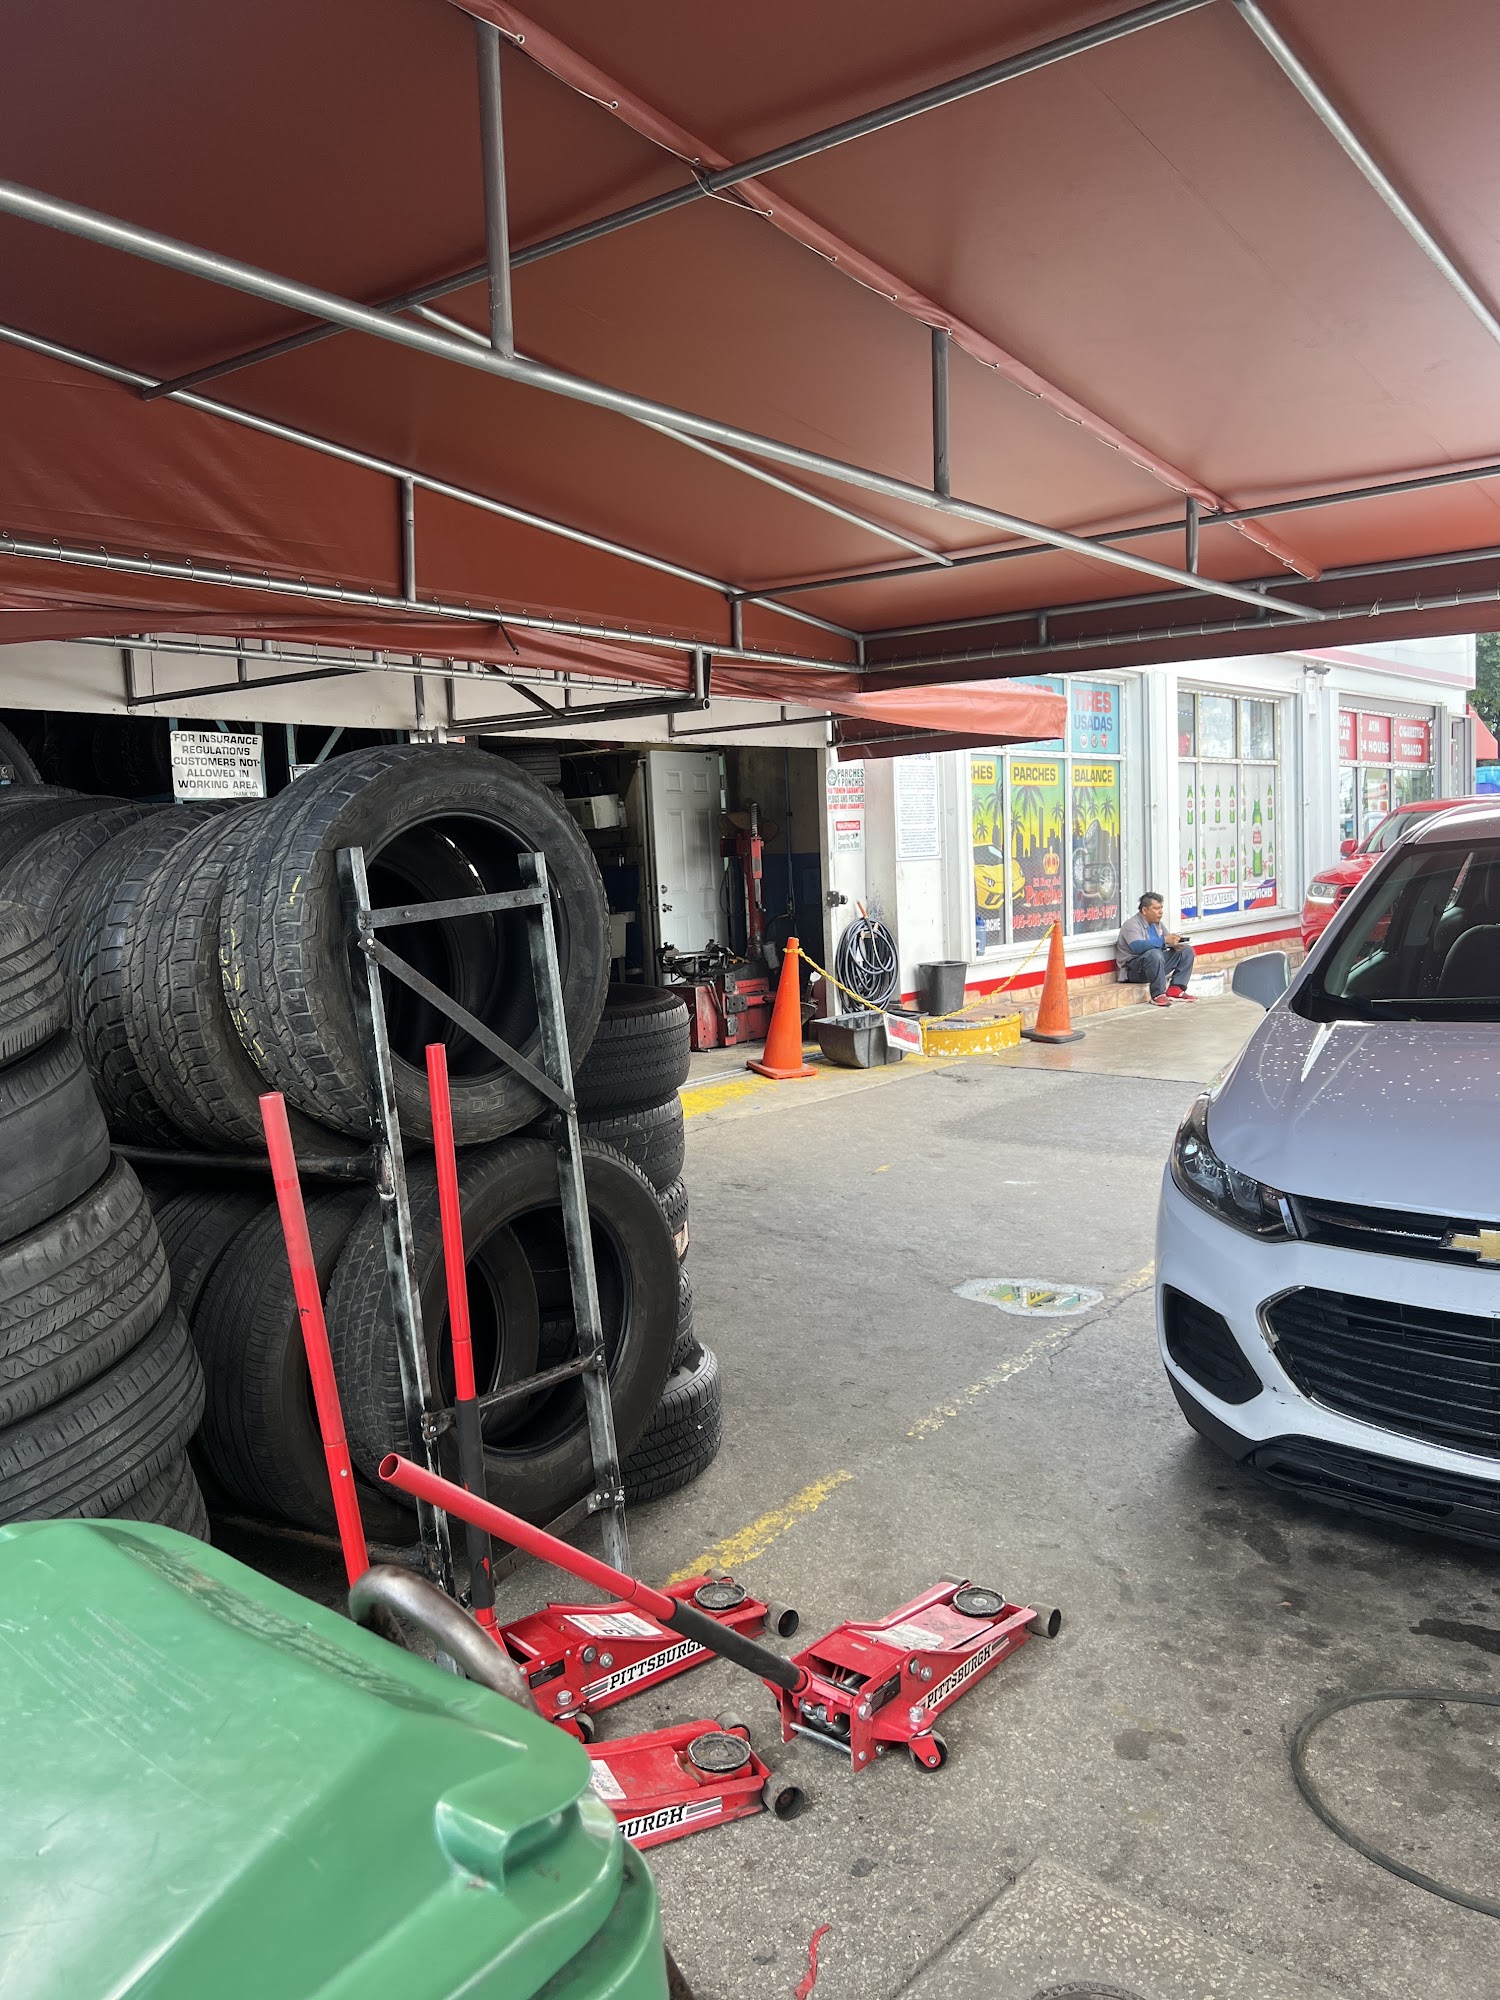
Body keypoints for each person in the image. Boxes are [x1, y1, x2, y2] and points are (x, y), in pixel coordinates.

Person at [1115, 892, 1195, 1006]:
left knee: (1186, 950)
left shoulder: (1157, 924)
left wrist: (1175, 943)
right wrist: (1164, 940)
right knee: (1154, 953)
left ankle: (1175, 989)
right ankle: (1158, 994)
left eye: (1161, 908)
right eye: (1156, 908)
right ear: (1144, 910)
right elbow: (1137, 947)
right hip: (1133, 970)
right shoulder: (1131, 924)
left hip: (1155, 965)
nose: (1160, 911)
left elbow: (1166, 941)